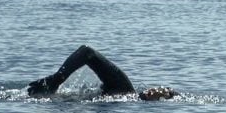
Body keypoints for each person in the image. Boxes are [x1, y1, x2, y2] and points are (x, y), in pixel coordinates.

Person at [27, 45, 178, 101]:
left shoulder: (126, 98)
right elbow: (86, 52)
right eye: (159, 87)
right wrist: (57, 79)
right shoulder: (123, 86)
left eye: (163, 93)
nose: (157, 90)